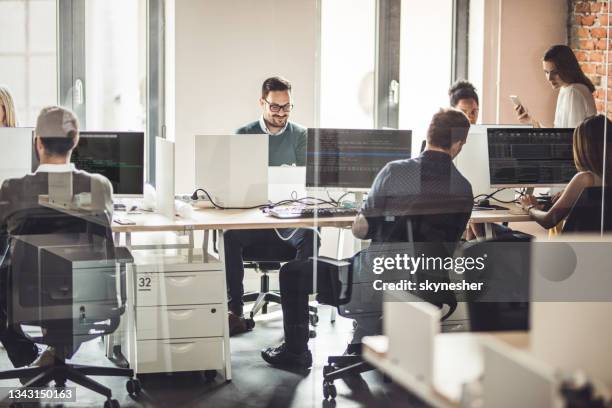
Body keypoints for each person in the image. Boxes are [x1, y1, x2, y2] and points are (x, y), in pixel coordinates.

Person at [260, 108, 474, 367]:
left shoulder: (395, 171)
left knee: (294, 273)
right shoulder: (464, 188)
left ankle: (296, 353)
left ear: (428, 136)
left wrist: (360, 216)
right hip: (426, 287)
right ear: (458, 143)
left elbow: (361, 230)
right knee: (375, 271)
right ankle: (361, 344)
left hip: (374, 281)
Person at [0, 106, 113, 369]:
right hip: (87, 291)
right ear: (75, 141)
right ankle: (51, 356)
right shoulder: (99, 186)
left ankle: (31, 358)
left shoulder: (13, 189)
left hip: (24, 293)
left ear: (37, 141)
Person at [224, 76, 318, 335]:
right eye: (275, 107)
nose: (281, 113)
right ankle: (235, 311)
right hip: (253, 219)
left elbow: (304, 180)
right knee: (228, 236)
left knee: (311, 234)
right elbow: (236, 180)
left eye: (287, 107)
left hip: (287, 219)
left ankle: (297, 317)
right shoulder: (244, 134)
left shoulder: (300, 135)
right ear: (262, 103)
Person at [518, 114, 610, 228]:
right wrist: (570, 193)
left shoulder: (585, 179)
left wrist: (529, 207)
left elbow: (548, 221)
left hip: (575, 245)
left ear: (583, 147)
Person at [514, 45, 596, 128]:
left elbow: (570, 138)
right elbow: (558, 133)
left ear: (567, 69)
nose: (549, 78)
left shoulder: (574, 92)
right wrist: (529, 121)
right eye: (546, 72)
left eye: (555, 72)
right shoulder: (565, 88)